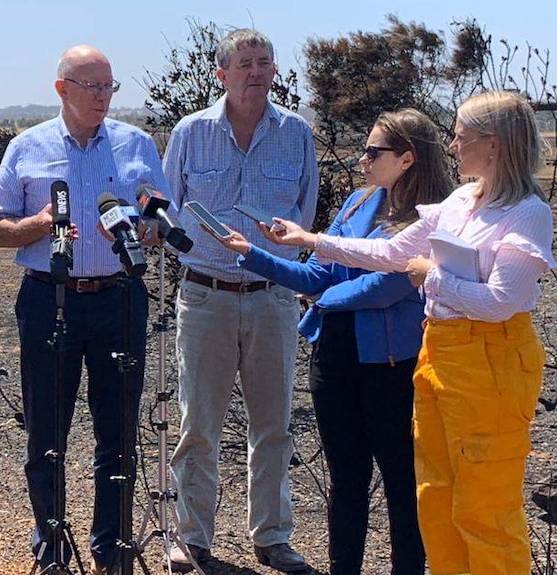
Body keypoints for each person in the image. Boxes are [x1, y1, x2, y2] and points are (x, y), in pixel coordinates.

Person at [266, 91, 555, 575]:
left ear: (494, 144)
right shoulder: (462, 199)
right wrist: (312, 240)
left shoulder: (527, 211)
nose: (454, 144)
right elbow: (389, 254)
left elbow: (502, 301)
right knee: (436, 501)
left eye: (462, 136)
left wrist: (433, 277)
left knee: (485, 508)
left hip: (492, 362)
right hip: (439, 355)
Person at [211, 109, 453, 574]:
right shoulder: (357, 204)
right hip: (336, 355)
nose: (362, 160)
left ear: (406, 159)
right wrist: (253, 255)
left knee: (403, 481)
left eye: (372, 151)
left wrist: (323, 301)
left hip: (390, 363)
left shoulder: (430, 217)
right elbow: (316, 272)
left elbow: (391, 284)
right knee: (346, 479)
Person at [0, 45, 166, 575]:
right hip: (48, 297)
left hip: (120, 298)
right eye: (92, 87)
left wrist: (151, 230)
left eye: (110, 87)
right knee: (47, 432)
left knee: (119, 430)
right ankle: (52, 547)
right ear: (62, 89)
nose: (103, 97)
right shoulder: (27, 147)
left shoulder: (137, 144)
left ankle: (112, 548)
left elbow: (159, 215)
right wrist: (36, 225)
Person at [162, 28, 318, 572]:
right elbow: (167, 206)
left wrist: (287, 246)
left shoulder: (296, 133)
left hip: (273, 297)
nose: (256, 71)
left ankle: (272, 537)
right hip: (205, 295)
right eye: (245, 63)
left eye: (265, 62)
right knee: (197, 425)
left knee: (273, 425)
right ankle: (190, 539)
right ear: (222, 74)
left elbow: (306, 212)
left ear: (275, 71)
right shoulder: (191, 132)